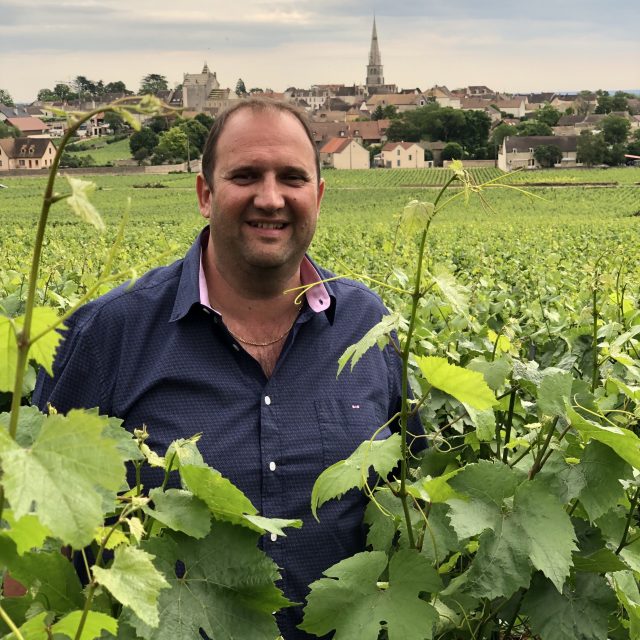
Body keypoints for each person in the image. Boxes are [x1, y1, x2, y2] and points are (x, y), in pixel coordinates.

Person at [34, 98, 419, 639]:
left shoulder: (368, 325)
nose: (271, 198)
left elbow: (411, 492)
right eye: (245, 176)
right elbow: (36, 532)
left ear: (318, 196)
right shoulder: (108, 333)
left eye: (292, 178)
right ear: (205, 194)